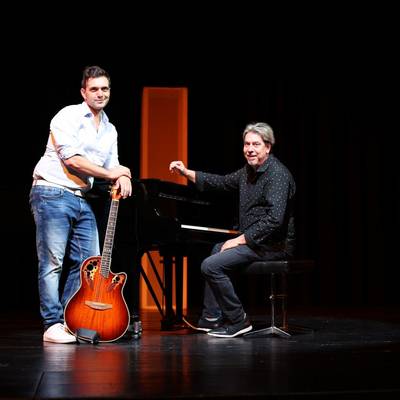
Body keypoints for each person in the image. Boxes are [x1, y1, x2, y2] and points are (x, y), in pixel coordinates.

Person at [30, 65, 132, 343]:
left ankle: (69, 320)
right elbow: (72, 159)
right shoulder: (68, 116)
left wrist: (123, 175)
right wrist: (114, 173)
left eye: (105, 89)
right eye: (94, 89)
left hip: (80, 197)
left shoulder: (109, 129)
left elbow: (113, 165)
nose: (100, 94)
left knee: (90, 264)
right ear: (83, 92)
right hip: (52, 192)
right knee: (52, 262)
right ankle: (52, 323)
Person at [169, 122, 296, 338]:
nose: (250, 149)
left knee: (210, 265)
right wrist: (185, 172)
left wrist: (239, 240)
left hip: (272, 245)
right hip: (255, 243)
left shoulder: (277, 175)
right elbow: (220, 182)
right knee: (216, 251)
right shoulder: (248, 171)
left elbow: (274, 220)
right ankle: (211, 318)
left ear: (268, 147)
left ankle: (238, 320)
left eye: (256, 144)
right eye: (247, 144)